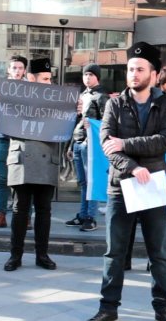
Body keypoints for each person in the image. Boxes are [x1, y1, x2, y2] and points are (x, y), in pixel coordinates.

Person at [88, 42, 166, 321]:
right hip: (120, 187)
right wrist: (132, 166)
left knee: (158, 254)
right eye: (130, 69)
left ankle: (163, 309)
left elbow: (165, 141)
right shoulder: (114, 103)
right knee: (114, 254)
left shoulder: (165, 104)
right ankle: (108, 309)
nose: (134, 74)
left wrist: (126, 144)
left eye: (140, 69)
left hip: (153, 185)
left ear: (153, 74)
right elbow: (107, 145)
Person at [3, 58, 60, 272]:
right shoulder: (14, 95)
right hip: (22, 158)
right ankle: (15, 256)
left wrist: (78, 111)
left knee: (44, 210)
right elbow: (1, 122)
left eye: (50, 79)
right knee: (20, 210)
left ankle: (42, 255)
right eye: (44, 79)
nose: (48, 83)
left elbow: (66, 128)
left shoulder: (59, 99)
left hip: (47, 159)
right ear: (31, 78)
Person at [65, 63, 110, 231]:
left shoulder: (101, 96)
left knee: (92, 181)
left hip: (90, 144)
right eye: (85, 75)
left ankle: (91, 217)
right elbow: (76, 121)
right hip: (78, 142)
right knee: (83, 182)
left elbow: (106, 123)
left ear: (97, 76)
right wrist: (70, 145)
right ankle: (83, 215)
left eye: (91, 74)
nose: (87, 78)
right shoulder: (83, 95)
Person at [0, 55, 28, 229]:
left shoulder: (30, 89)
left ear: (24, 70)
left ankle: (25, 216)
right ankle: (1, 215)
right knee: (3, 179)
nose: (17, 71)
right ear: (9, 70)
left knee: (25, 181)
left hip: (24, 140)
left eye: (20, 68)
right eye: (14, 67)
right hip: (4, 139)